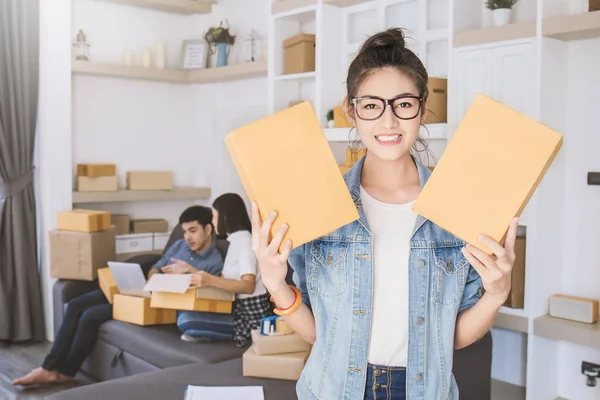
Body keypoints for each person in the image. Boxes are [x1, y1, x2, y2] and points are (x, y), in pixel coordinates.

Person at [251, 28, 519, 400]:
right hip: (332, 390)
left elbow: (452, 339)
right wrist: (276, 283)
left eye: (404, 104)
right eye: (372, 105)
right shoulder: (319, 202)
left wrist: (496, 293)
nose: (389, 121)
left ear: (422, 108)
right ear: (351, 110)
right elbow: (319, 334)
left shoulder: (457, 208)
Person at [12, 205, 223, 387]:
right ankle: (48, 366)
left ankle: (64, 372)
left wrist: (188, 272)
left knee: (91, 315)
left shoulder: (214, 262)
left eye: (193, 231)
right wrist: (153, 277)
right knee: (76, 304)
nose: (188, 237)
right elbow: (157, 266)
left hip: (162, 305)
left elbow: (204, 297)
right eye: (185, 231)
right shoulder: (180, 246)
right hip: (147, 291)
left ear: (208, 228)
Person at [177, 193, 272, 347]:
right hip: (234, 309)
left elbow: (248, 286)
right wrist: (189, 270)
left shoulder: (244, 242)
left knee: (186, 320)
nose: (213, 223)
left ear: (225, 217)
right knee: (183, 312)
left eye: (215, 216)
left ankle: (215, 333)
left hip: (249, 316)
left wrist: (210, 280)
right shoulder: (234, 241)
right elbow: (223, 281)